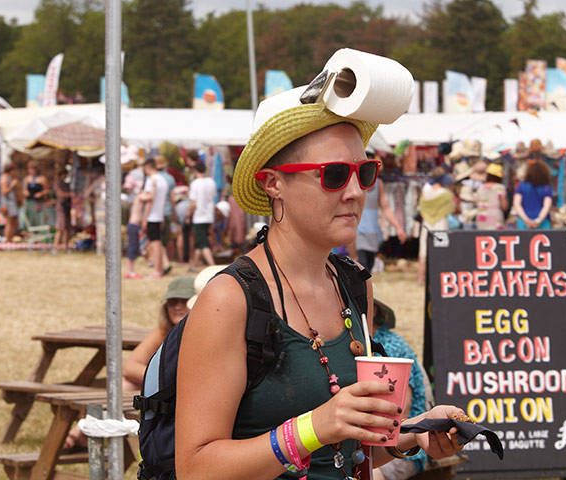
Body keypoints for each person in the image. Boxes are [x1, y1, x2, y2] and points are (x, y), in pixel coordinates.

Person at [175, 75, 464, 479]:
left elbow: (349, 455)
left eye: (364, 172)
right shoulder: (231, 299)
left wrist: (413, 434)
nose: (354, 192)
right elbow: (195, 470)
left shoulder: (354, 285)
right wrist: (314, 427)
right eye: (332, 175)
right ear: (273, 183)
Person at [63, 276, 195, 451]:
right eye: (172, 302)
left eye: (184, 301)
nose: (177, 306)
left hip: (192, 397)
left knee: (128, 387)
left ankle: (81, 433)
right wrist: (163, 382)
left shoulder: (202, 330)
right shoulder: (164, 331)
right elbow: (130, 367)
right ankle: (86, 432)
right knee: (126, 384)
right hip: (171, 395)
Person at [371, 299, 427, 480]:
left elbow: (401, 411)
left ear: (374, 310)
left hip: (405, 444)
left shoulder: (390, 346)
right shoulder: (351, 343)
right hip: (365, 444)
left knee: (371, 475)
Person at [347, 154, 407, 273]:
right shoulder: (353, 181)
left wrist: (398, 227)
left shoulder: (378, 183)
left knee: (369, 266)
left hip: (373, 231)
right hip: (357, 231)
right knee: (361, 267)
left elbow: (385, 207)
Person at [417, 167, 455, 285]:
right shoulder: (446, 194)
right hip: (440, 223)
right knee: (441, 249)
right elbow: (451, 208)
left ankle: (420, 278)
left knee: (423, 252)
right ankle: (440, 278)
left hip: (426, 223)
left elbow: (421, 206)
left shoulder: (425, 191)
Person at [141, 158, 170, 278]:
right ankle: (159, 268)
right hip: (159, 215)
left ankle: (157, 270)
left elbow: (149, 201)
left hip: (152, 216)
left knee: (154, 243)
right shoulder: (163, 180)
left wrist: (144, 218)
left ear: (147, 167)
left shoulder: (151, 180)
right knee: (157, 243)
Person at [187, 161, 217, 271]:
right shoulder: (211, 182)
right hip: (209, 215)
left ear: (195, 171)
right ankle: (193, 265)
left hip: (199, 216)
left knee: (203, 243)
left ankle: (212, 266)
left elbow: (193, 202)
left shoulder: (195, 184)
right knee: (200, 242)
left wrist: (188, 214)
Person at [513, 159, 553, 229]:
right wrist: (538, 220)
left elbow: (517, 204)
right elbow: (546, 206)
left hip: (523, 223)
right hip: (543, 223)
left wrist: (526, 219)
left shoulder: (521, 186)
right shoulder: (547, 187)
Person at [475, 163, 507, 230]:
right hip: (496, 217)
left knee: (482, 237)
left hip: (482, 216)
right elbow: (504, 206)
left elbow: (476, 202)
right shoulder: (500, 188)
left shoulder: (481, 187)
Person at [22, 160, 48, 227]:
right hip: (29, 202)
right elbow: (24, 190)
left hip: (38, 202)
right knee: (29, 218)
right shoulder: (27, 179)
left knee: (39, 219)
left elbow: (46, 190)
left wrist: (41, 193)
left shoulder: (42, 178)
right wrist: (25, 192)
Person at [0, 163, 20, 242]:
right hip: (8, 203)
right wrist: (12, 185)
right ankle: (7, 240)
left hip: (11, 202)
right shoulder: (4, 178)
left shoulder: (7, 177)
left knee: (14, 221)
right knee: (9, 222)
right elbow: (4, 191)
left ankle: (10, 239)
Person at [53, 168, 72, 253]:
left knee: (67, 228)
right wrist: (69, 194)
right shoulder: (58, 183)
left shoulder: (67, 183)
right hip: (61, 207)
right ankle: (55, 247)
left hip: (67, 207)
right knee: (60, 227)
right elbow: (60, 194)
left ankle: (66, 246)